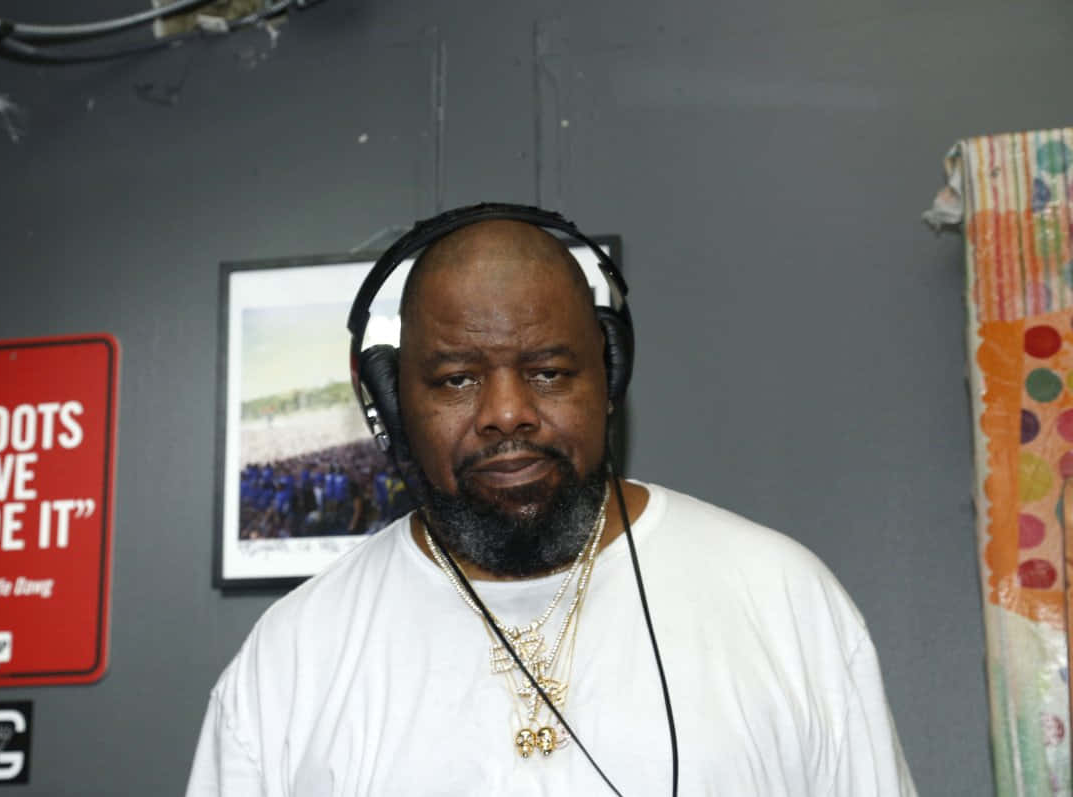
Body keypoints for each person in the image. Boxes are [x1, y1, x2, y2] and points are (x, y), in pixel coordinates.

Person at [186, 208, 916, 795]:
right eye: (457, 379)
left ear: (610, 377)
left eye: (548, 370)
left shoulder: (784, 600)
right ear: (393, 404)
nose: (507, 412)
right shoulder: (291, 660)